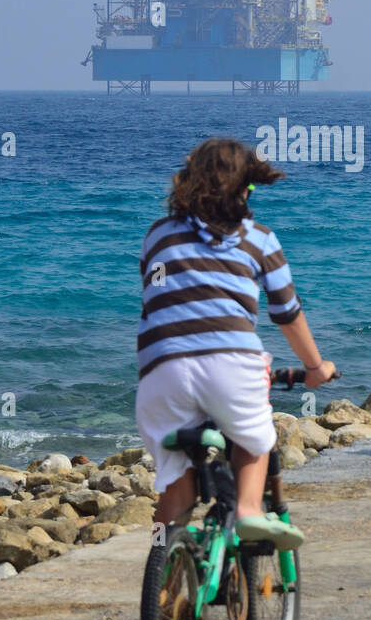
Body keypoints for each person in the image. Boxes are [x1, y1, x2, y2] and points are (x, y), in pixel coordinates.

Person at [135, 137, 336, 550]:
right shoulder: (259, 240)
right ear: (246, 189)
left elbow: (155, 295)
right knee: (255, 438)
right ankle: (247, 509)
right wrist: (315, 368)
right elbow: (287, 314)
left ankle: (162, 574)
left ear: (185, 184)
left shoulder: (157, 236)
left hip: (162, 370)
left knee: (173, 487)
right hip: (230, 364)